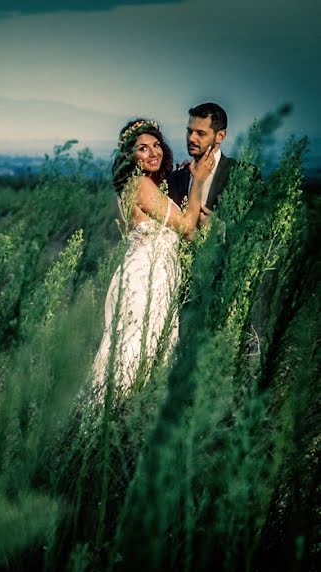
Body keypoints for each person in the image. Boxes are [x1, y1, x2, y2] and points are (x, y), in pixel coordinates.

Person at [90, 119, 215, 398]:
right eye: (143, 149)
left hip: (154, 276)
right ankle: (112, 418)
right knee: (134, 352)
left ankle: (120, 419)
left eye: (156, 145)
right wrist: (199, 180)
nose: (153, 152)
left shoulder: (147, 188)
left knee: (144, 349)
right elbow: (184, 226)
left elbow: (189, 233)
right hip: (145, 280)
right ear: (129, 156)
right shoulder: (140, 184)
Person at [167, 102, 236, 230]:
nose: (191, 138)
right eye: (189, 131)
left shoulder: (240, 174)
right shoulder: (176, 178)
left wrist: (220, 230)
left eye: (200, 133)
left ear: (220, 136)